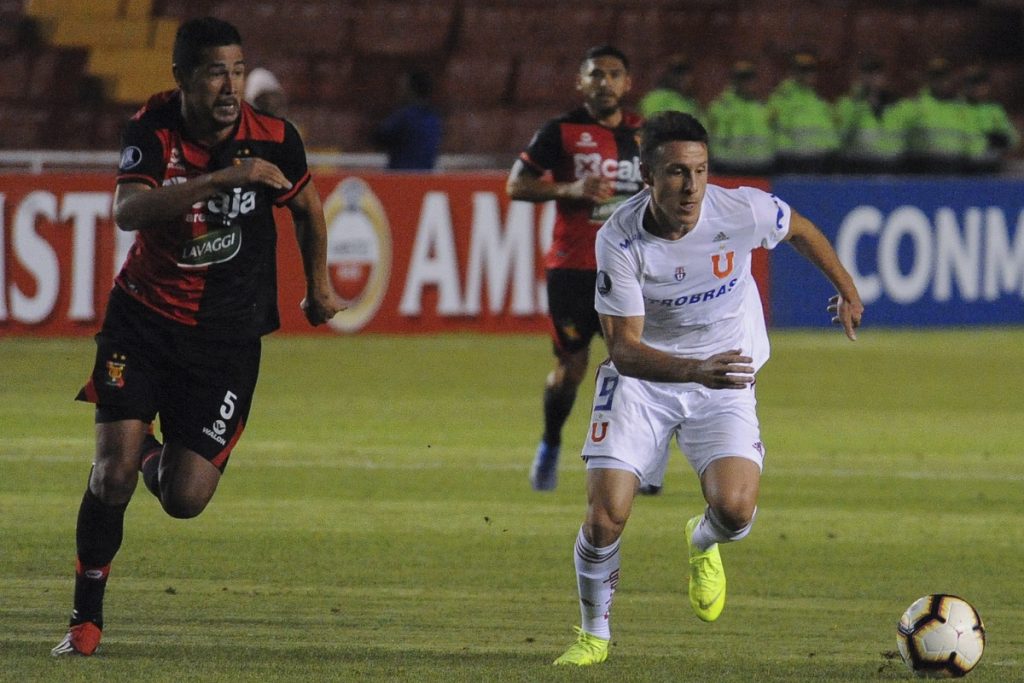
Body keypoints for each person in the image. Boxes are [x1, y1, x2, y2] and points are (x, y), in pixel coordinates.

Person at [51, 17, 343, 657]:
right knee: (110, 476)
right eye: (215, 71)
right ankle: (84, 620)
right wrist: (217, 182)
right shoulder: (152, 129)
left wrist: (318, 287)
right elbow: (127, 210)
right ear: (182, 77)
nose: (229, 85)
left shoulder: (274, 137)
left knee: (184, 498)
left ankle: (149, 453)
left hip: (226, 341)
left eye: (237, 70)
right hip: (144, 321)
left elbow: (308, 207)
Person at [552, 111, 864, 666]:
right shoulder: (619, 240)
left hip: (724, 372)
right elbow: (623, 350)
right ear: (647, 175)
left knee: (736, 509)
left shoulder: (740, 208)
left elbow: (801, 230)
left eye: (699, 170)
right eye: (675, 172)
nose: (691, 186)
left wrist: (846, 290)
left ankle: (702, 541)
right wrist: (695, 369)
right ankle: (593, 635)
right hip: (643, 380)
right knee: (605, 519)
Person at [506, 45, 646, 493]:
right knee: (572, 368)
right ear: (580, 83)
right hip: (574, 269)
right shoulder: (560, 131)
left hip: (630, 269)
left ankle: (641, 463)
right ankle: (550, 443)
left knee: (638, 368)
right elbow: (516, 185)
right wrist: (570, 187)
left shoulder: (649, 134)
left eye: (614, 74)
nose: (605, 82)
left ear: (628, 83)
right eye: (596, 75)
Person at [767, 49, 840, 173]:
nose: (808, 74)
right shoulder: (782, 99)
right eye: (803, 70)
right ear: (793, 73)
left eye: (811, 70)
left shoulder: (818, 101)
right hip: (793, 163)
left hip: (820, 163)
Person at [834, 56, 908, 173]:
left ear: (883, 78)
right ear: (860, 77)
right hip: (861, 167)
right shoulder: (848, 104)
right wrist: (859, 101)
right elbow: (842, 136)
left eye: (876, 74)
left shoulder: (897, 105)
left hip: (893, 168)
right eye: (867, 74)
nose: (871, 79)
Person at [902, 57, 973, 174]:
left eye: (944, 77)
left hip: (957, 170)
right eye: (936, 77)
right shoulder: (916, 105)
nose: (941, 81)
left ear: (951, 79)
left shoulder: (962, 107)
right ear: (929, 80)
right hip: (924, 171)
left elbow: (972, 141)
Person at [704, 59, 774, 175]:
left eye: (750, 78)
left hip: (760, 169)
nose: (747, 82)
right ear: (734, 80)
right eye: (743, 78)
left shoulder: (764, 108)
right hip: (727, 168)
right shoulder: (720, 108)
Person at [371, 69, 443, 170]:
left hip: (401, 177)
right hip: (425, 178)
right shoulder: (434, 118)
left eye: (402, 87)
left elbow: (379, 136)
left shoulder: (405, 116)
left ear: (411, 90)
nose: (399, 91)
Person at [961, 65, 1020, 174]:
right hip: (962, 164)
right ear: (966, 86)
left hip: (991, 164)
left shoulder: (995, 110)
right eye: (973, 84)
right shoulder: (958, 107)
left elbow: (1013, 137)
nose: (977, 88)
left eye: (981, 84)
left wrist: (1003, 139)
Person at [638, 54, 702, 121]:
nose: (687, 79)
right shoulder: (657, 98)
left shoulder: (692, 102)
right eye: (679, 73)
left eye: (687, 74)